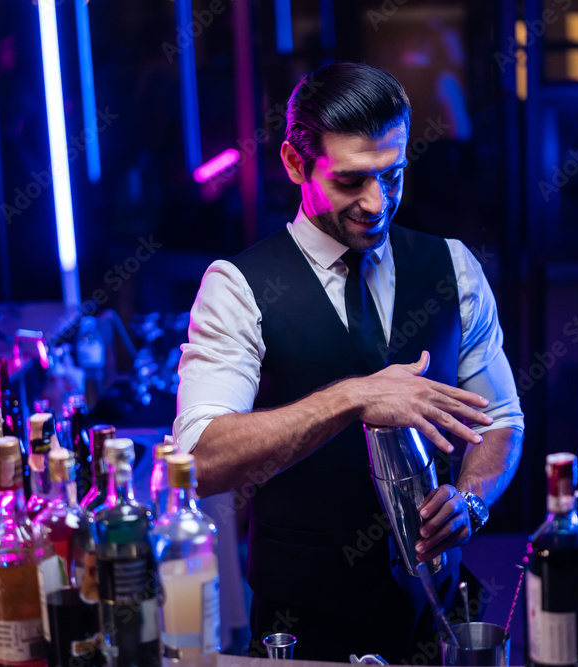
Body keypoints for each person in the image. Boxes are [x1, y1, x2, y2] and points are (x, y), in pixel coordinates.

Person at [174, 62, 524, 663]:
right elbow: (199, 461)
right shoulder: (237, 288)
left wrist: (471, 498)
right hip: (303, 633)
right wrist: (350, 398)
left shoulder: (453, 267)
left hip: (433, 620)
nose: (375, 202)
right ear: (293, 164)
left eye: (392, 176)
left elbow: (502, 419)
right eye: (350, 181)